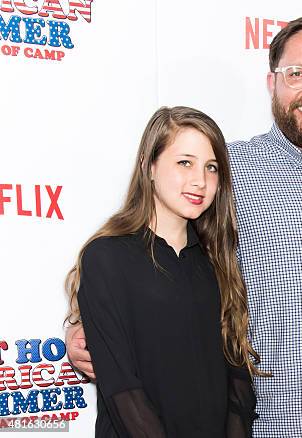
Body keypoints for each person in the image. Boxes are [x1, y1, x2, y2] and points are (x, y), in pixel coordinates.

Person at [66, 17, 302, 438]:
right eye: (296, 74)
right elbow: (150, 255)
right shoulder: (230, 169)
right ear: (271, 82)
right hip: (270, 424)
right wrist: (81, 324)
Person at [64, 106, 260, 437]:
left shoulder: (218, 263)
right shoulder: (107, 258)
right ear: (149, 166)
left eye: (211, 168)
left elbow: (237, 382)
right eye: (185, 162)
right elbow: (122, 389)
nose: (200, 181)